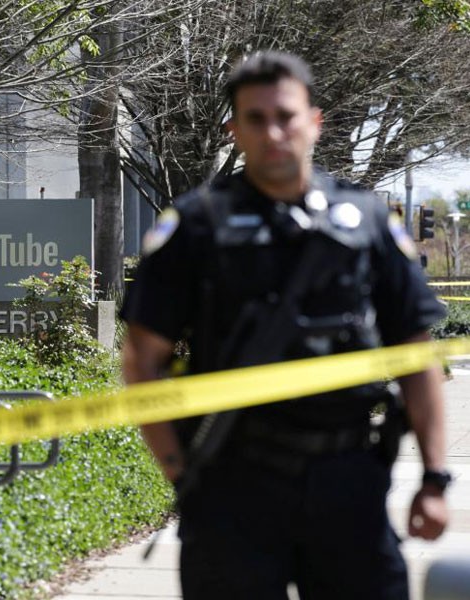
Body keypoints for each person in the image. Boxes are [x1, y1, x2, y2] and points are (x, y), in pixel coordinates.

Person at [121, 51, 450, 599]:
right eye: (255, 118)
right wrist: (184, 477)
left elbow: (418, 356)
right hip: (232, 484)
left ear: (314, 122)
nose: (273, 131)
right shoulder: (196, 225)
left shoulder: (367, 220)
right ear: (234, 130)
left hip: (349, 479)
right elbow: (141, 360)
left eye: (286, 115)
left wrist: (434, 478)